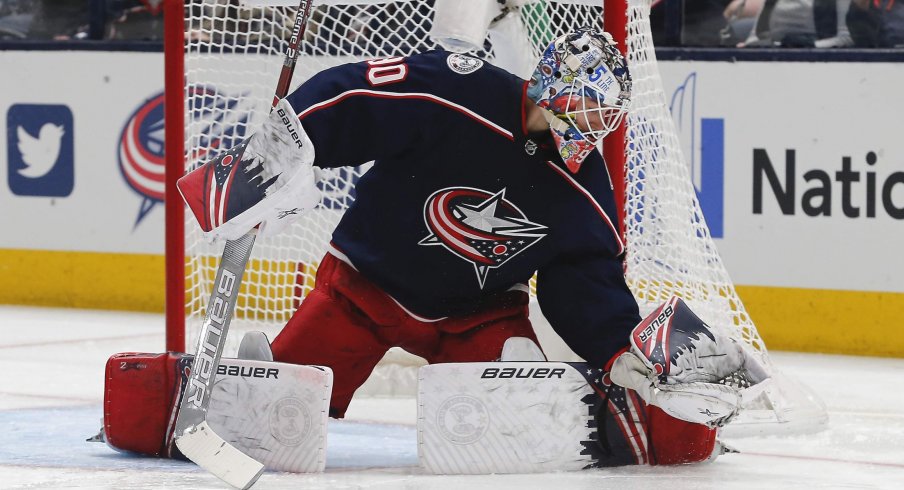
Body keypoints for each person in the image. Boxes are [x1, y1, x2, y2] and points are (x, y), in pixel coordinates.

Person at [170, 27, 766, 469]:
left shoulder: (583, 185)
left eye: (604, 118)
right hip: (361, 291)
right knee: (274, 409)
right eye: (585, 108)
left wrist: (619, 349)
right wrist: (290, 141)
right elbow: (357, 92)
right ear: (553, 84)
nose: (592, 127)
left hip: (477, 318)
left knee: (525, 406)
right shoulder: (459, 89)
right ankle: (263, 365)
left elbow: (582, 278)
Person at [739, 0, 854, 47]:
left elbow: (847, 38)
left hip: (821, 62)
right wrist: (750, 47)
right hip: (775, 60)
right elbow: (755, 36)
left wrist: (812, 46)